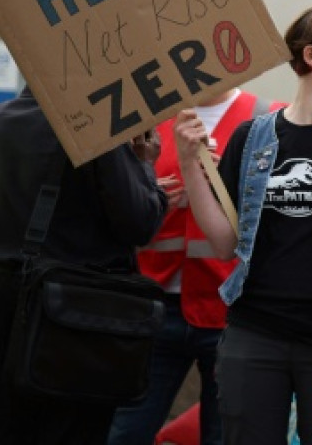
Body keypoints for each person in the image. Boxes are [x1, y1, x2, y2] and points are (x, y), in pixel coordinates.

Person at [174, 4, 312, 445]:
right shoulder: (251, 138)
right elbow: (224, 245)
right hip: (253, 334)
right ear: (311, 55)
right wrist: (188, 163)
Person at [0, 86, 168, 444]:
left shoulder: (4, 120)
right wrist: (145, 166)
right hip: (71, 325)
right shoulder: (95, 133)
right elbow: (139, 222)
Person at [108, 87, 274, 445]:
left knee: (224, 434)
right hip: (153, 302)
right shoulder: (147, 120)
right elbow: (118, 205)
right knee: (126, 431)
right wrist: (149, 200)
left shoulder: (267, 116)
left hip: (229, 307)